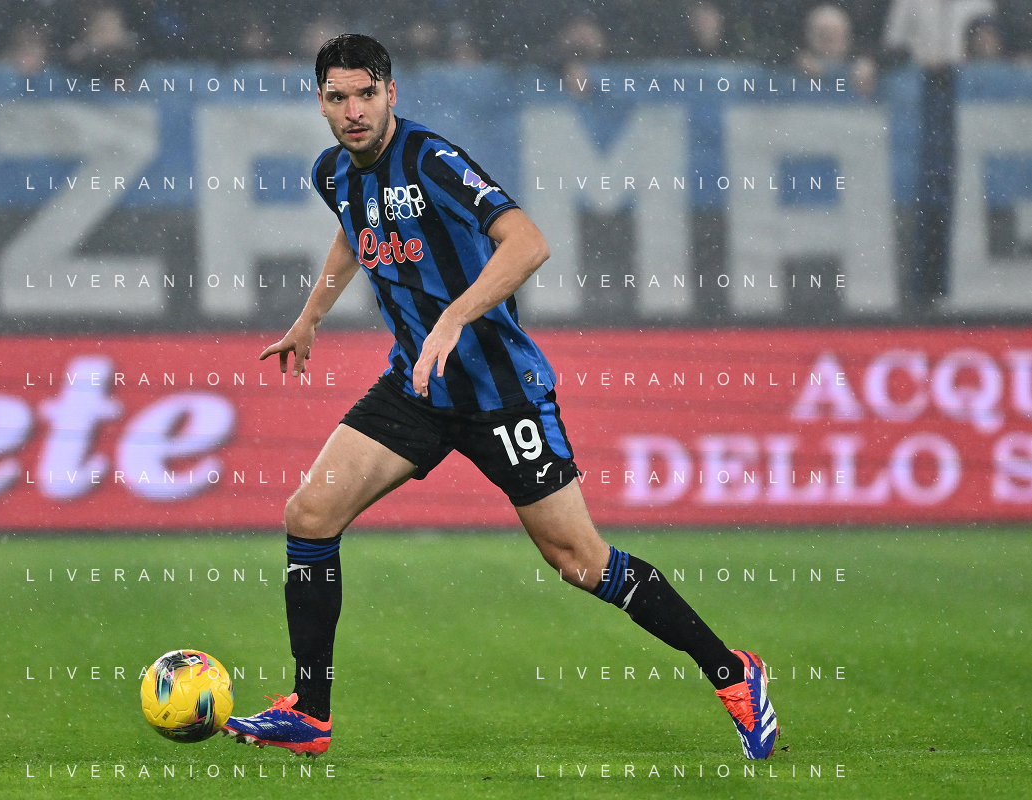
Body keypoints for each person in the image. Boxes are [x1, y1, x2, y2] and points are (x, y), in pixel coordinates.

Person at [222, 33, 779, 761]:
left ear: (391, 94)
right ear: (320, 103)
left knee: (579, 561)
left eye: (366, 94)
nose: (353, 110)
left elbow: (527, 241)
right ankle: (309, 711)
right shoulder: (333, 173)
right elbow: (354, 235)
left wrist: (454, 317)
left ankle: (733, 672)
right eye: (337, 97)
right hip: (418, 386)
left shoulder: (429, 158)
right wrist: (309, 318)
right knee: (309, 514)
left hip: (501, 394)